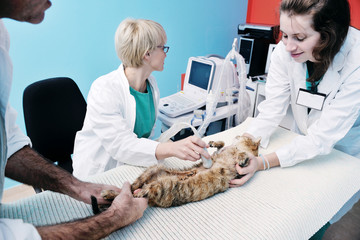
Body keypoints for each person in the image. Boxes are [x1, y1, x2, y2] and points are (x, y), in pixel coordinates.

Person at [0, 1, 148, 239]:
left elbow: (7, 144)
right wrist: (114, 218)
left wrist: (79, 187)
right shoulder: (105, 87)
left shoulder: (1, 37)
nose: (51, 3)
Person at [230, 0, 360, 238]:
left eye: (299, 38)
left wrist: (263, 162)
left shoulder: (357, 61)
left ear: (329, 35)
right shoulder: (285, 50)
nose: (288, 46)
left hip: (346, 149)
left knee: (327, 220)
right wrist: (245, 142)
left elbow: (321, 138)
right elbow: (272, 107)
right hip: (306, 142)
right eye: (284, 35)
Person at [72, 18, 211, 180]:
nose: (166, 53)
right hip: (99, 175)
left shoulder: (151, 84)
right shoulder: (104, 89)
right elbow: (121, 145)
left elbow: (142, 139)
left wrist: (176, 146)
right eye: (163, 48)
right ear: (147, 54)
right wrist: (171, 148)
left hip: (130, 169)